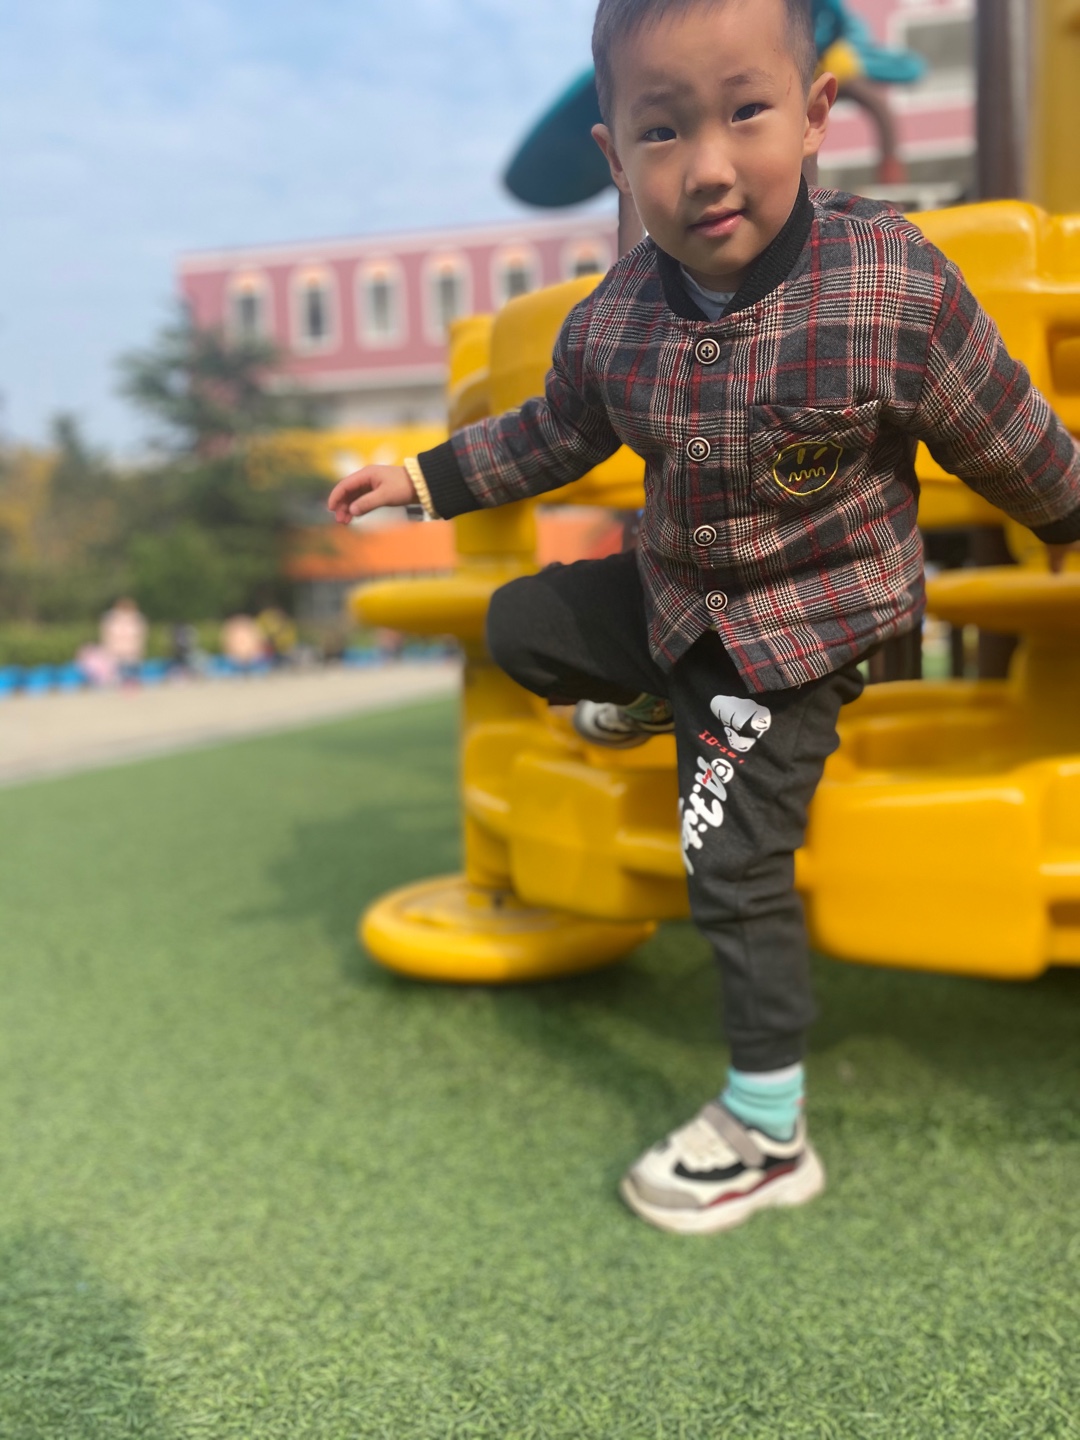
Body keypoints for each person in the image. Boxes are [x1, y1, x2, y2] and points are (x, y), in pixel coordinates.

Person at [328, 0, 1080, 1235]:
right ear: (617, 158)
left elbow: (1013, 439)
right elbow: (551, 434)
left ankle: (768, 1131)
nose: (710, 166)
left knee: (726, 861)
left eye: (746, 112)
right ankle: (648, 695)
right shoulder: (617, 315)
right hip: (677, 592)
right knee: (523, 626)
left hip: (798, 633)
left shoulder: (889, 285)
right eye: (665, 131)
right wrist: (422, 478)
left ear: (816, 115)